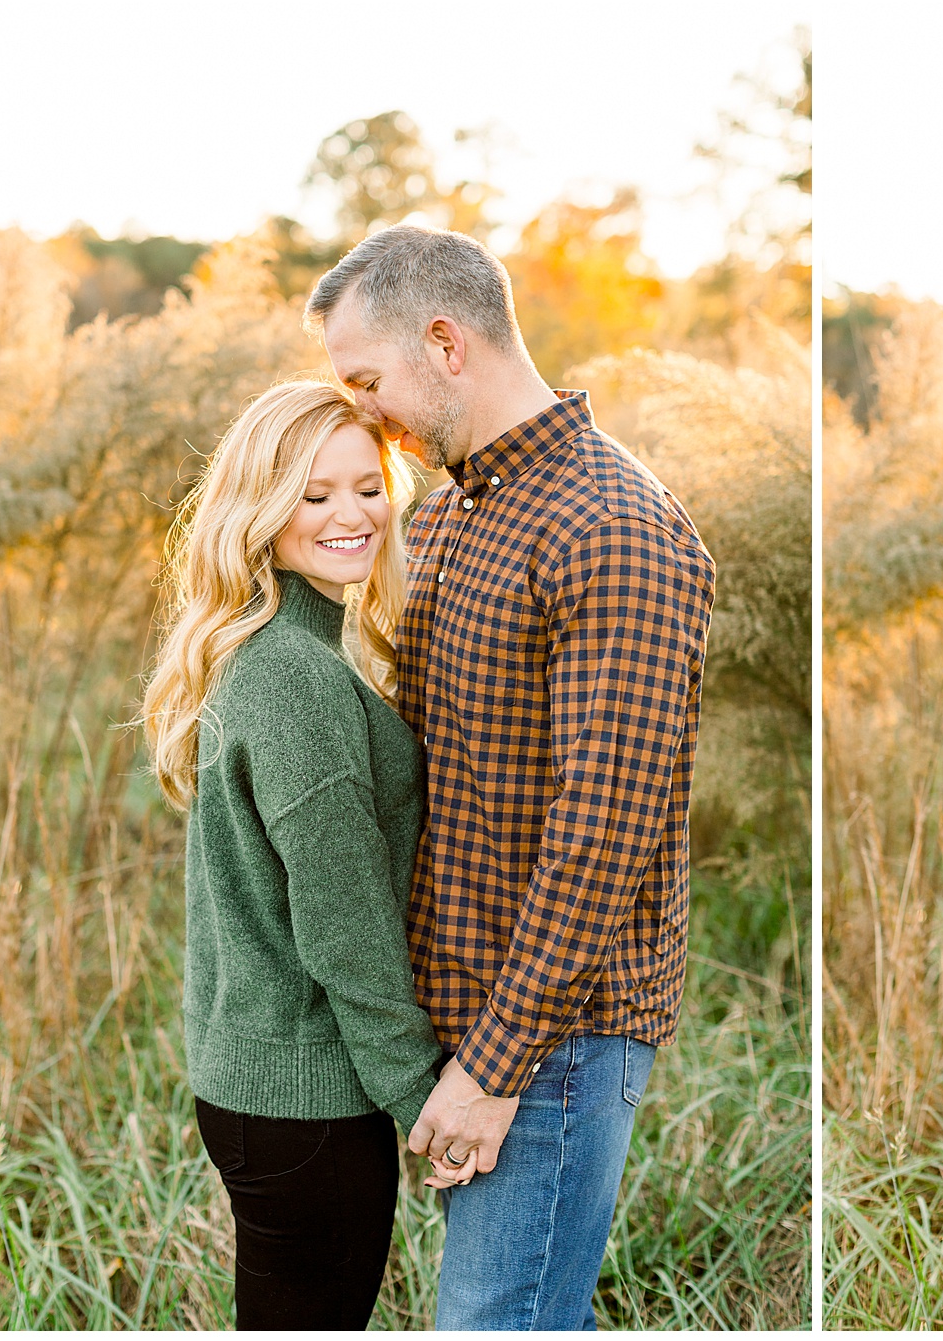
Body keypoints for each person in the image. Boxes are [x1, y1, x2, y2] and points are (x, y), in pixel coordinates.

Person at [303, 224, 717, 1331]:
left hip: (552, 1044)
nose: (363, 412)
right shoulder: (450, 512)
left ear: (443, 343)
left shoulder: (612, 526)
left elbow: (603, 834)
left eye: (366, 381)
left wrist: (492, 1070)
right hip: (467, 1017)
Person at [141, 380, 443, 1329]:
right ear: (260, 512)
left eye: (367, 486)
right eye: (313, 496)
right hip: (309, 1102)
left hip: (258, 1088)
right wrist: (422, 1097)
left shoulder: (278, 650)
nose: (351, 515)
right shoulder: (296, 681)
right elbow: (340, 920)